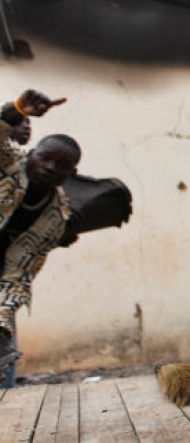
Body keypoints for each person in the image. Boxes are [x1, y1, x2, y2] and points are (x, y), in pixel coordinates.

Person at [0, 89, 75, 387]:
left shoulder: (56, 218)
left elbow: (19, 275)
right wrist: (16, 109)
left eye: (62, 165)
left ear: (72, 173)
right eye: (45, 158)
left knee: (4, 364)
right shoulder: (9, 164)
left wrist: (1, 328)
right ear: (31, 154)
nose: (50, 168)